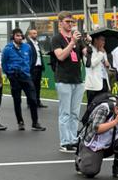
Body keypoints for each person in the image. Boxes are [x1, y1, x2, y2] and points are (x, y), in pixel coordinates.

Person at [75, 92, 118, 179]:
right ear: (116, 108)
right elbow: (97, 129)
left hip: (108, 143)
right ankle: (80, 160)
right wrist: (115, 121)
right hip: (92, 144)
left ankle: (116, 168)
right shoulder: (104, 108)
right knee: (90, 172)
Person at [48, 14, 85, 153]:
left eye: (72, 22)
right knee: (65, 113)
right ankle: (65, 142)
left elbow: (85, 53)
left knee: (75, 113)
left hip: (77, 79)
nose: (70, 24)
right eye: (67, 21)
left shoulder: (77, 37)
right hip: (63, 79)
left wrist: (89, 43)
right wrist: (72, 42)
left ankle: (73, 139)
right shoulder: (56, 39)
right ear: (60, 23)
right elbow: (61, 56)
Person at [2, 28, 44, 132]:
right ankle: (20, 122)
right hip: (14, 77)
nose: (20, 37)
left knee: (33, 99)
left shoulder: (27, 47)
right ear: (13, 37)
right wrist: (9, 74)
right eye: (17, 36)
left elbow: (30, 60)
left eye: (21, 36)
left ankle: (35, 123)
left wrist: (26, 70)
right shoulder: (7, 49)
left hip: (26, 76)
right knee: (17, 100)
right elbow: (4, 63)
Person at [84, 32, 112, 109]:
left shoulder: (103, 51)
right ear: (96, 40)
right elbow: (91, 64)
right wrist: (100, 53)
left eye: (104, 40)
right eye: (102, 40)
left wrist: (107, 64)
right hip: (93, 83)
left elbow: (106, 65)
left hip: (104, 81)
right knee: (92, 106)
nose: (104, 42)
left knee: (103, 106)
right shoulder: (89, 49)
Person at [25, 24, 47, 108]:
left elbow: (39, 55)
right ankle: (30, 103)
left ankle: (38, 102)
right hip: (32, 68)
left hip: (38, 67)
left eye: (36, 33)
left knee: (38, 86)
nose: (36, 35)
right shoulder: (28, 44)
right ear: (29, 35)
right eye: (34, 33)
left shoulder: (37, 44)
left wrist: (42, 66)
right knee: (31, 86)